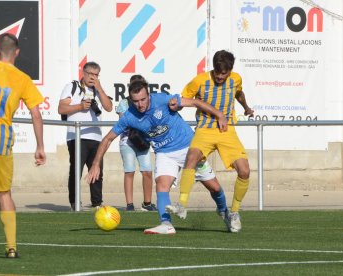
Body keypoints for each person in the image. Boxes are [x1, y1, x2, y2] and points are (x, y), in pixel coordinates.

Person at [86, 78, 231, 234]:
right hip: (164, 152)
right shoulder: (129, 116)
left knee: (214, 188)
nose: (140, 104)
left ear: (149, 95)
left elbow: (195, 103)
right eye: (135, 101)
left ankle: (225, 212)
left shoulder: (162, 99)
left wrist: (219, 115)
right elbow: (107, 139)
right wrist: (95, 164)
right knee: (161, 184)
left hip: (189, 148)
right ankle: (166, 224)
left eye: (143, 99)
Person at [167, 50, 254, 233]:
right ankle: (182, 205)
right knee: (191, 158)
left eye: (225, 73)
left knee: (244, 171)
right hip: (205, 129)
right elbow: (185, 98)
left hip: (226, 130)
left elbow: (239, 93)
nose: (221, 76)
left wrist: (246, 107)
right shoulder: (199, 81)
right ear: (213, 68)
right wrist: (177, 104)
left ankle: (235, 213)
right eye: (218, 72)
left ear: (230, 70)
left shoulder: (235, 79)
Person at [0, 33, 46, 258]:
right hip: (0, 142)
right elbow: (36, 114)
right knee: (4, 194)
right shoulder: (22, 79)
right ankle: (11, 247)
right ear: (17, 52)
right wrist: (40, 146)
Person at [58, 61, 113, 210]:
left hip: (96, 136)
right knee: (76, 170)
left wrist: (100, 88)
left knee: (97, 170)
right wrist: (80, 106)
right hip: (77, 136)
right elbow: (61, 108)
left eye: (96, 75)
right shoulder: (72, 86)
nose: (93, 78)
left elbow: (108, 108)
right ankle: (75, 203)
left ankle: (97, 202)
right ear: (83, 73)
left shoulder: (98, 90)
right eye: (90, 74)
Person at [116, 75, 156, 211]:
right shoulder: (124, 103)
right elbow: (123, 122)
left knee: (147, 171)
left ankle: (147, 203)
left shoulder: (150, 102)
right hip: (127, 140)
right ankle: (129, 204)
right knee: (129, 171)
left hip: (143, 140)